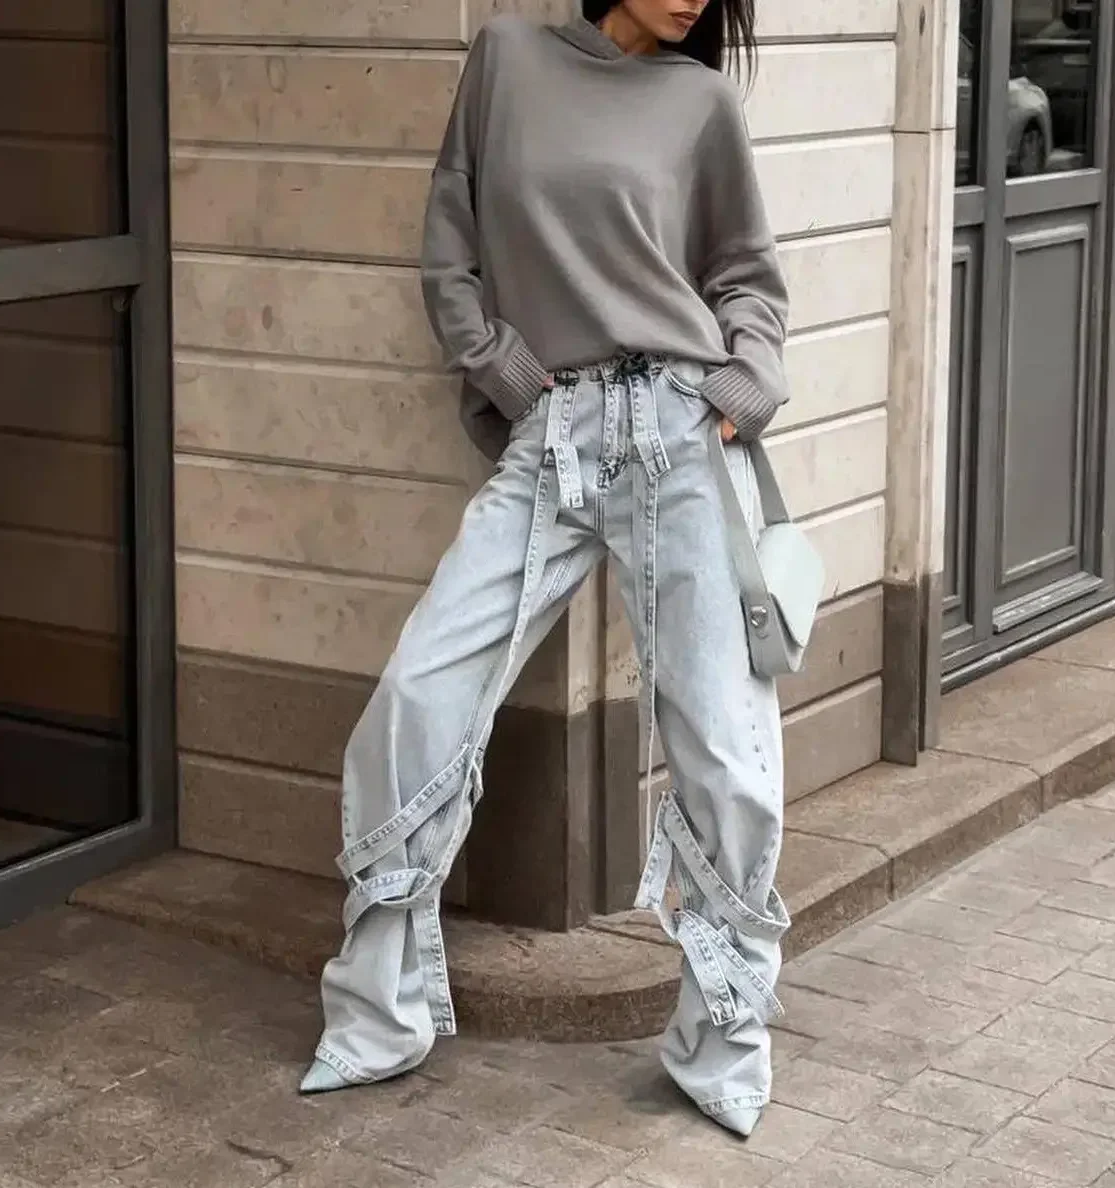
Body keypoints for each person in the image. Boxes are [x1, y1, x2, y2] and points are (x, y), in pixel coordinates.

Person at [301, 0, 792, 1139]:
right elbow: (451, 244)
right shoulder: (507, 60)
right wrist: (518, 385)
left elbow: (749, 282)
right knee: (418, 694)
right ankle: (378, 1016)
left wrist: (740, 390)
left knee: (726, 746)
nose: (696, 1)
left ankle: (725, 1047)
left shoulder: (704, 103)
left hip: (679, 429)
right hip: (556, 431)